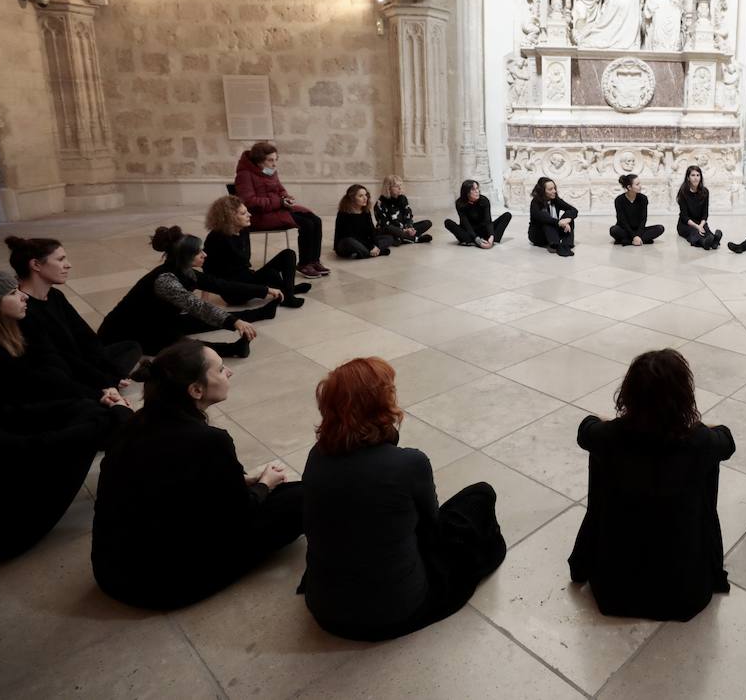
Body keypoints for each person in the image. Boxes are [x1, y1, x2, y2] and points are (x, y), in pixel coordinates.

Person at [300, 357, 506, 640]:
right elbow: (433, 524)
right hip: (395, 612)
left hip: (326, 608)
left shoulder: (317, 455)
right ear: (382, 403)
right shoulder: (408, 463)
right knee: (480, 496)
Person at [91, 340, 304, 609]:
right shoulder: (209, 440)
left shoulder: (134, 422)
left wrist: (243, 480)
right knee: (300, 497)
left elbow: (177, 484)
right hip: (161, 585)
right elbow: (240, 512)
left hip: (111, 570)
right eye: (220, 369)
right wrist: (264, 483)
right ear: (196, 389)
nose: (229, 373)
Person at [569, 349, 735, 621]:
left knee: (603, 455)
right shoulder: (699, 442)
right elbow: (727, 440)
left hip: (615, 593)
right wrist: (703, 427)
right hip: (685, 596)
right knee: (707, 460)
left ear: (628, 394)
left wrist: (609, 422)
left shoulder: (608, 437)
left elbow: (585, 429)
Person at [0, 351, 131, 567]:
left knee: (89, 412)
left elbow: (13, 413)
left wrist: (87, 404)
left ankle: (117, 426)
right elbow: (39, 447)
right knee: (86, 436)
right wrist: (115, 416)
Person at [98, 226, 277, 359]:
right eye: (199, 252)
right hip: (128, 333)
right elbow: (197, 306)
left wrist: (264, 290)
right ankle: (233, 349)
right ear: (184, 256)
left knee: (198, 322)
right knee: (186, 346)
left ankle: (262, 312)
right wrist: (234, 322)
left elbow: (221, 285)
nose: (204, 255)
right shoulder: (165, 280)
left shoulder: (185, 271)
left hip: (159, 321)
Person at [0, 268, 108, 407]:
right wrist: (98, 395)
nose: (24, 296)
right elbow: (40, 386)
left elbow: (59, 359)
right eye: (13, 293)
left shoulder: (20, 324)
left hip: (46, 394)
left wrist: (105, 384)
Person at [6, 236, 142, 389]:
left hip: (80, 359)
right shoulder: (22, 309)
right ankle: (101, 388)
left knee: (131, 347)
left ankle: (106, 384)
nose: (68, 265)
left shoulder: (55, 295)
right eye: (60, 259)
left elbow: (85, 337)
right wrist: (104, 379)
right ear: (36, 265)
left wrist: (113, 373)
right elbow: (59, 358)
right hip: (61, 370)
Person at [233, 141, 329, 279]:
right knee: (306, 224)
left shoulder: (270, 171)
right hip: (259, 216)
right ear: (259, 160)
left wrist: (286, 197)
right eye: (270, 160)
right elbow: (249, 201)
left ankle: (314, 261)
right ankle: (304, 264)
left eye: (275, 160)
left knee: (315, 220)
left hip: (276, 209)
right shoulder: (244, 174)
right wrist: (279, 201)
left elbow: (280, 189)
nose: (274, 164)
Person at [203, 196, 308, 308]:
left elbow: (244, 263)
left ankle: (288, 291)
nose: (250, 215)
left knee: (288, 254)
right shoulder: (216, 238)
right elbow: (207, 268)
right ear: (229, 217)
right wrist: (204, 299)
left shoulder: (243, 229)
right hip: (234, 291)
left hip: (247, 278)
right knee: (271, 274)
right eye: (243, 213)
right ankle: (288, 294)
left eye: (247, 211)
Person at [443, 180, 511, 248]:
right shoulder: (460, 203)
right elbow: (466, 224)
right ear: (466, 192)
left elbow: (488, 221)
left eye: (477, 188)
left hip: (484, 230)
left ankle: (491, 240)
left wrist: (491, 235)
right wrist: (477, 240)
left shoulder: (484, 200)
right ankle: (473, 241)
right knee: (448, 222)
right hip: (469, 232)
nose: (477, 191)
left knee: (507, 215)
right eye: (473, 189)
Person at [334, 184, 395, 259]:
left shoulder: (365, 211)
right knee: (349, 241)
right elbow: (351, 235)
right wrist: (370, 246)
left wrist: (374, 245)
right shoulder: (344, 213)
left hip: (363, 242)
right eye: (360, 196)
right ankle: (375, 252)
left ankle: (367, 252)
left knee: (389, 238)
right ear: (352, 198)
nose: (365, 198)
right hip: (347, 244)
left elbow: (371, 230)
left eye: (366, 195)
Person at [527, 177, 578, 258]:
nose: (554, 191)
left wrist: (567, 219)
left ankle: (567, 244)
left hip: (553, 231)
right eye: (550, 189)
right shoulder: (535, 202)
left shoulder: (555, 199)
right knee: (547, 221)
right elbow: (543, 218)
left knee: (569, 217)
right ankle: (557, 245)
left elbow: (573, 210)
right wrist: (559, 222)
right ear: (542, 191)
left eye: (554, 188)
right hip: (538, 236)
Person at [374, 175, 433, 245]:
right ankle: (415, 239)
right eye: (396, 186)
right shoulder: (380, 203)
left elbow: (408, 215)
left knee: (427, 223)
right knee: (391, 232)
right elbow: (385, 224)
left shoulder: (402, 198)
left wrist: (409, 227)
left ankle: (402, 238)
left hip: (404, 228)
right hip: (390, 230)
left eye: (400, 185)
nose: (400, 188)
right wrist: (403, 230)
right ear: (388, 188)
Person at [610, 173, 665, 245]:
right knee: (614, 230)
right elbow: (622, 221)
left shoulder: (643, 199)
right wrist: (634, 236)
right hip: (625, 230)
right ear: (629, 187)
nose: (640, 186)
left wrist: (638, 235)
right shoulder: (619, 200)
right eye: (637, 184)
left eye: (640, 183)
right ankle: (641, 240)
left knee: (660, 228)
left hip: (639, 230)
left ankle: (627, 241)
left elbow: (643, 219)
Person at [676, 165, 722, 250]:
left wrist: (701, 225)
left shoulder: (705, 192)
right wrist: (697, 227)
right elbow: (684, 216)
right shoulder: (683, 193)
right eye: (693, 175)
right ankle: (704, 243)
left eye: (698, 175)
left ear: (700, 177)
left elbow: (705, 213)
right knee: (694, 232)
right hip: (685, 224)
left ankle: (714, 242)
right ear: (688, 178)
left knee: (706, 231)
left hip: (699, 221)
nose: (696, 178)